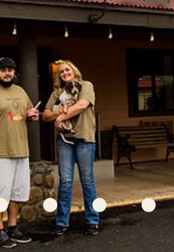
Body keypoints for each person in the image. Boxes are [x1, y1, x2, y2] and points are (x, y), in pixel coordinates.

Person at [0, 57, 39, 249]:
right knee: (1, 193)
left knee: (17, 193)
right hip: (0, 152)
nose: (7, 73)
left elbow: (29, 113)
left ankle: (13, 227)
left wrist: (33, 117)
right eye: (3, 70)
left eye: (10, 70)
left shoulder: (21, 91)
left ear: (14, 72)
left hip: (21, 150)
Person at [42, 60, 100, 236]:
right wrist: (57, 114)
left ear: (74, 71)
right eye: (61, 72)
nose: (64, 73)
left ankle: (92, 220)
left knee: (87, 180)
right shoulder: (57, 93)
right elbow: (45, 115)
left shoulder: (85, 86)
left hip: (84, 138)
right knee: (65, 181)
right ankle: (61, 222)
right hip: (64, 140)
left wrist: (59, 118)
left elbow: (82, 105)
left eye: (67, 70)